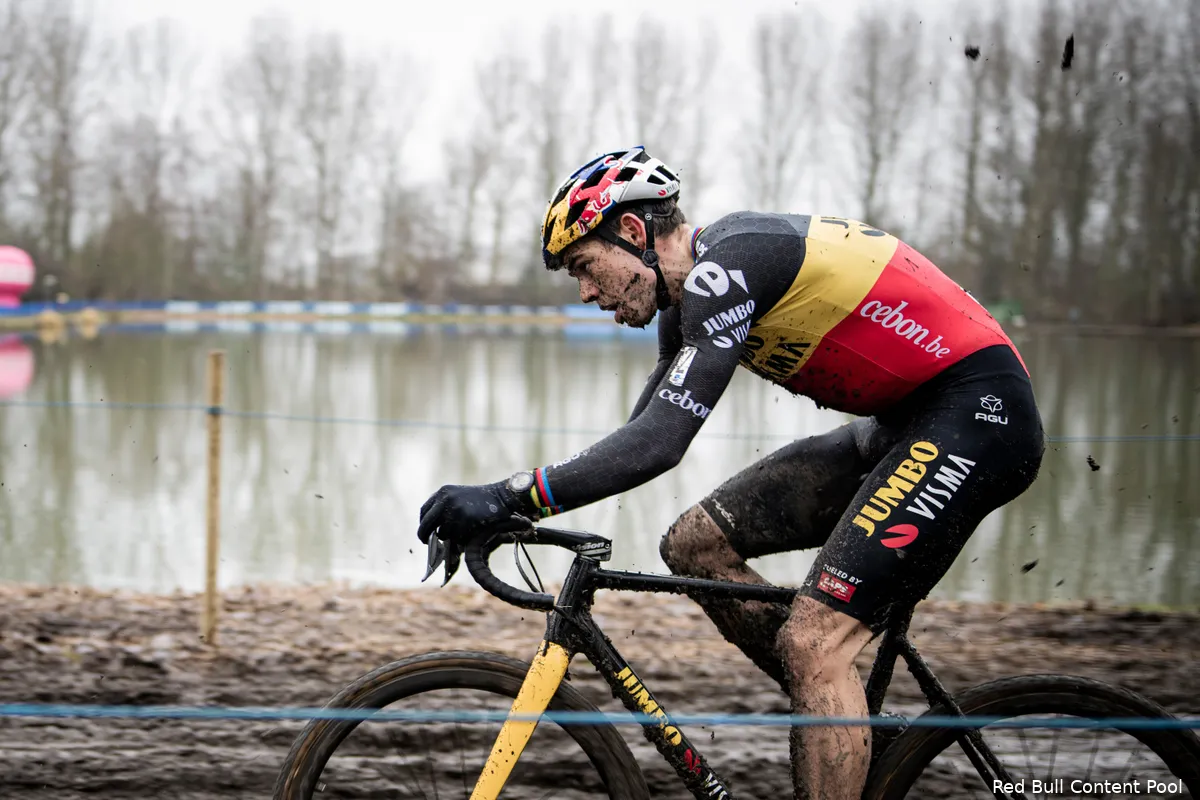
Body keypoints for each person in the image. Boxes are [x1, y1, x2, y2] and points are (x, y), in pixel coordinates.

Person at [417, 146, 1046, 799]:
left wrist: (508, 494)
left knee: (814, 642)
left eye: (584, 266)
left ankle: (826, 685)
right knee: (695, 546)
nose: (586, 293)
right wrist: (521, 506)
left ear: (631, 231)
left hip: (979, 418)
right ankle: (841, 716)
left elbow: (661, 444)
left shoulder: (730, 267)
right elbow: (637, 441)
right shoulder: (690, 299)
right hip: (903, 425)